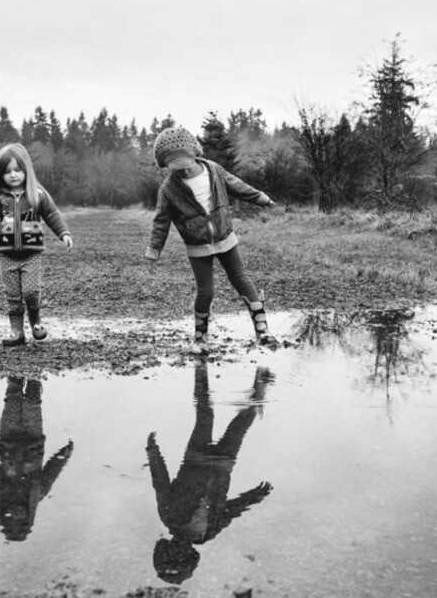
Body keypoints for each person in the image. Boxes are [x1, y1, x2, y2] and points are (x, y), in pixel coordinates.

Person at [145, 125, 277, 346]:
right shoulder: (168, 189)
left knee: (242, 279)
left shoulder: (213, 170)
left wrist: (261, 198)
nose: (183, 171)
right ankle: (200, 338)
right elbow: (161, 222)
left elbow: (238, 186)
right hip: (197, 246)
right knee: (206, 292)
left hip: (226, 237)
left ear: (194, 154)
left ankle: (262, 329)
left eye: (185, 165)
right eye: (176, 168)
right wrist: (153, 252)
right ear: (165, 165)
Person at [147, 363, 274, 583]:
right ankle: (259, 386)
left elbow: (161, 482)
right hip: (223, 464)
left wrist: (153, 451)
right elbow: (232, 510)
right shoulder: (208, 533)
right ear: (189, 553)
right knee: (242, 422)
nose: (180, 545)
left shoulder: (170, 517)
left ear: (169, 546)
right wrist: (255, 496)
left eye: (174, 548)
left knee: (205, 413)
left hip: (196, 457)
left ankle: (201, 367)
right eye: (182, 551)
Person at [0, 143, 73, 346]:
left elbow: (52, 215)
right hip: (6, 255)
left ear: (26, 169)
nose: (13, 175)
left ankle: (36, 321)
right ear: (0, 174)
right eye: (7, 171)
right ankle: (17, 331)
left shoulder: (38, 194)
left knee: (30, 292)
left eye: (17, 170)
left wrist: (63, 234)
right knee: (13, 296)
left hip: (31, 254)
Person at [0, 376, 74, 541]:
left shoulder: (2, 492)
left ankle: (15, 376)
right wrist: (64, 454)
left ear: (5, 513)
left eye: (11, 517)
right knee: (32, 402)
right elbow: (52, 470)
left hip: (8, 436)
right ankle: (34, 377)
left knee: (12, 400)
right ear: (27, 515)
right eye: (19, 518)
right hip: (33, 437)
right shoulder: (38, 492)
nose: (15, 514)